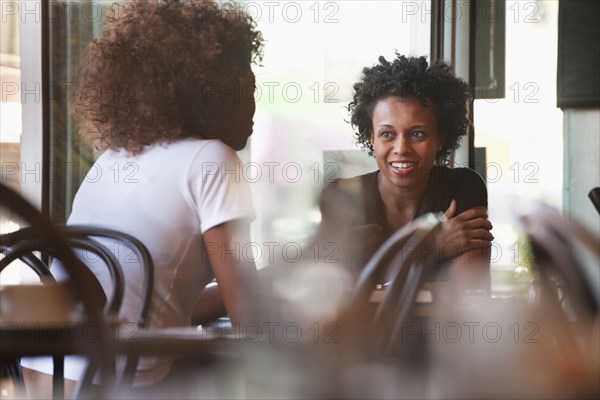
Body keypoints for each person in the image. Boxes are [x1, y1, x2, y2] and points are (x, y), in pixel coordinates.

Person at [21, 0, 263, 394]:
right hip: (123, 383)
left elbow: (150, 305)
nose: (254, 105)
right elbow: (252, 321)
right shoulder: (213, 159)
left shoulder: (112, 159)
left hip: (43, 375)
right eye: (248, 87)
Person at [318, 54, 494, 292]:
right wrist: (429, 248)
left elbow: (468, 294)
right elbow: (338, 294)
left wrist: (381, 268)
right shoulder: (343, 196)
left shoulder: (462, 188)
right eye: (387, 134)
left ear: (440, 138)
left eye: (418, 134)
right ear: (371, 136)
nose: (401, 149)